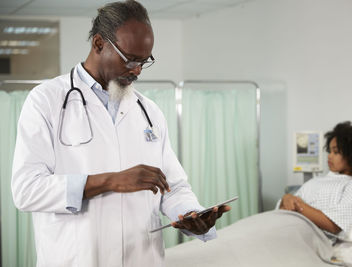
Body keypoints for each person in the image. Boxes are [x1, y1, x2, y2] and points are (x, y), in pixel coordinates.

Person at [11, 1, 230, 266]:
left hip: (141, 258)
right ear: (99, 44)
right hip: (77, 259)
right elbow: (26, 189)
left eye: (144, 61)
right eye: (130, 59)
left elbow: (173, 186)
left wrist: (190, 214)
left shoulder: (148, 111)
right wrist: (110, 181)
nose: (137, 70)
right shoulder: (46, 101)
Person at [279, 121, 352, 238]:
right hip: (283, 224)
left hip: (307, 236)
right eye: (330, 151)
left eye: (336, 152)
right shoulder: (316, 181)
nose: (329, 156)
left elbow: (332, 225)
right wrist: (286, 198)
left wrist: (297, 205)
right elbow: (286, 206)